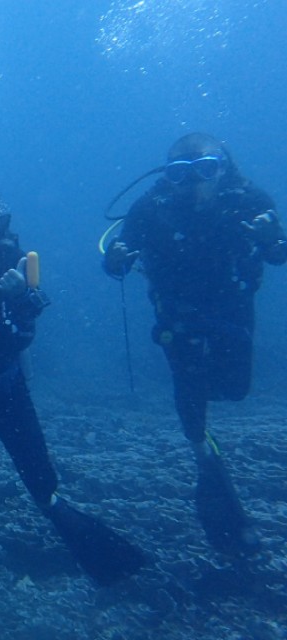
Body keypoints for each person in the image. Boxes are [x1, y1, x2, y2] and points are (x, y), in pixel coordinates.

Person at [0, 176, 144, 585]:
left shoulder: (9, 258)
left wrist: (20, 298)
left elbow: (28, 326)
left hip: (4, 386)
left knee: (40, 481)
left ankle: (92, 547)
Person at [103, 133, 286, 555]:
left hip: (231, 311)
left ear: (222, 167)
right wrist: (116, 259)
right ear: (168, 175)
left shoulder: (247, 199)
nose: (193, 183)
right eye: (180, 173)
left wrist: (273, 239)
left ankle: (205, 441)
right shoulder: (152, 207)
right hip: (178, 317)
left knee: (235, 389)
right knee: (191, 399)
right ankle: (207, 462)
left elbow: (278, 255)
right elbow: (117, 257)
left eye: (204, 170)